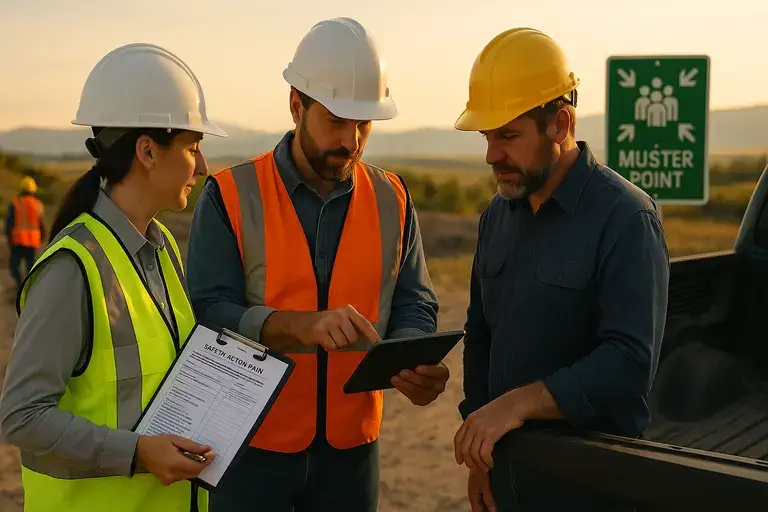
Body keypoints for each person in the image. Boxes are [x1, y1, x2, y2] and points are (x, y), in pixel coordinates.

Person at [186, 17, 447, 512]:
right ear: (295, 105)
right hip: (249, 450)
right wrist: (296, 327)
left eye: (362, 123)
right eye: (334, 120)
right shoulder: (229, 194)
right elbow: (205, 311)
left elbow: (414, 301)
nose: (350, 140)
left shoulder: (392, 197)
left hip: (352, 454)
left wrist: (412, 358)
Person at [0, 43, 227, 512]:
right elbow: (20, 416)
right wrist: (138, 453)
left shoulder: (161, 247)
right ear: (147, 150)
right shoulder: (72, 268)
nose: (202, 167)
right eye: (192, 147)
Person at [451, 28, 670, 511]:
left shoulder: (627, 218)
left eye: (508, 135)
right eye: (488, 137)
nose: (492, 155)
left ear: (561, 123)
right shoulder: (496, 215)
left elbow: (629, 364)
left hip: (591, 485)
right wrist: (481, 455)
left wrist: (514, 405)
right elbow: (481, 333)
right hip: (507, 476)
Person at [5, 175, 45, 292]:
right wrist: (42, 238)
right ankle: (27, 290)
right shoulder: (38, 204)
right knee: (31, 268)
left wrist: (8, 238)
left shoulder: (15, 203)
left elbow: (9, 223)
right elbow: (41, 224)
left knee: (14, 267)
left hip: (17, 241)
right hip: (33, 241)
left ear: (21, 189)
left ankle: (19, 286)